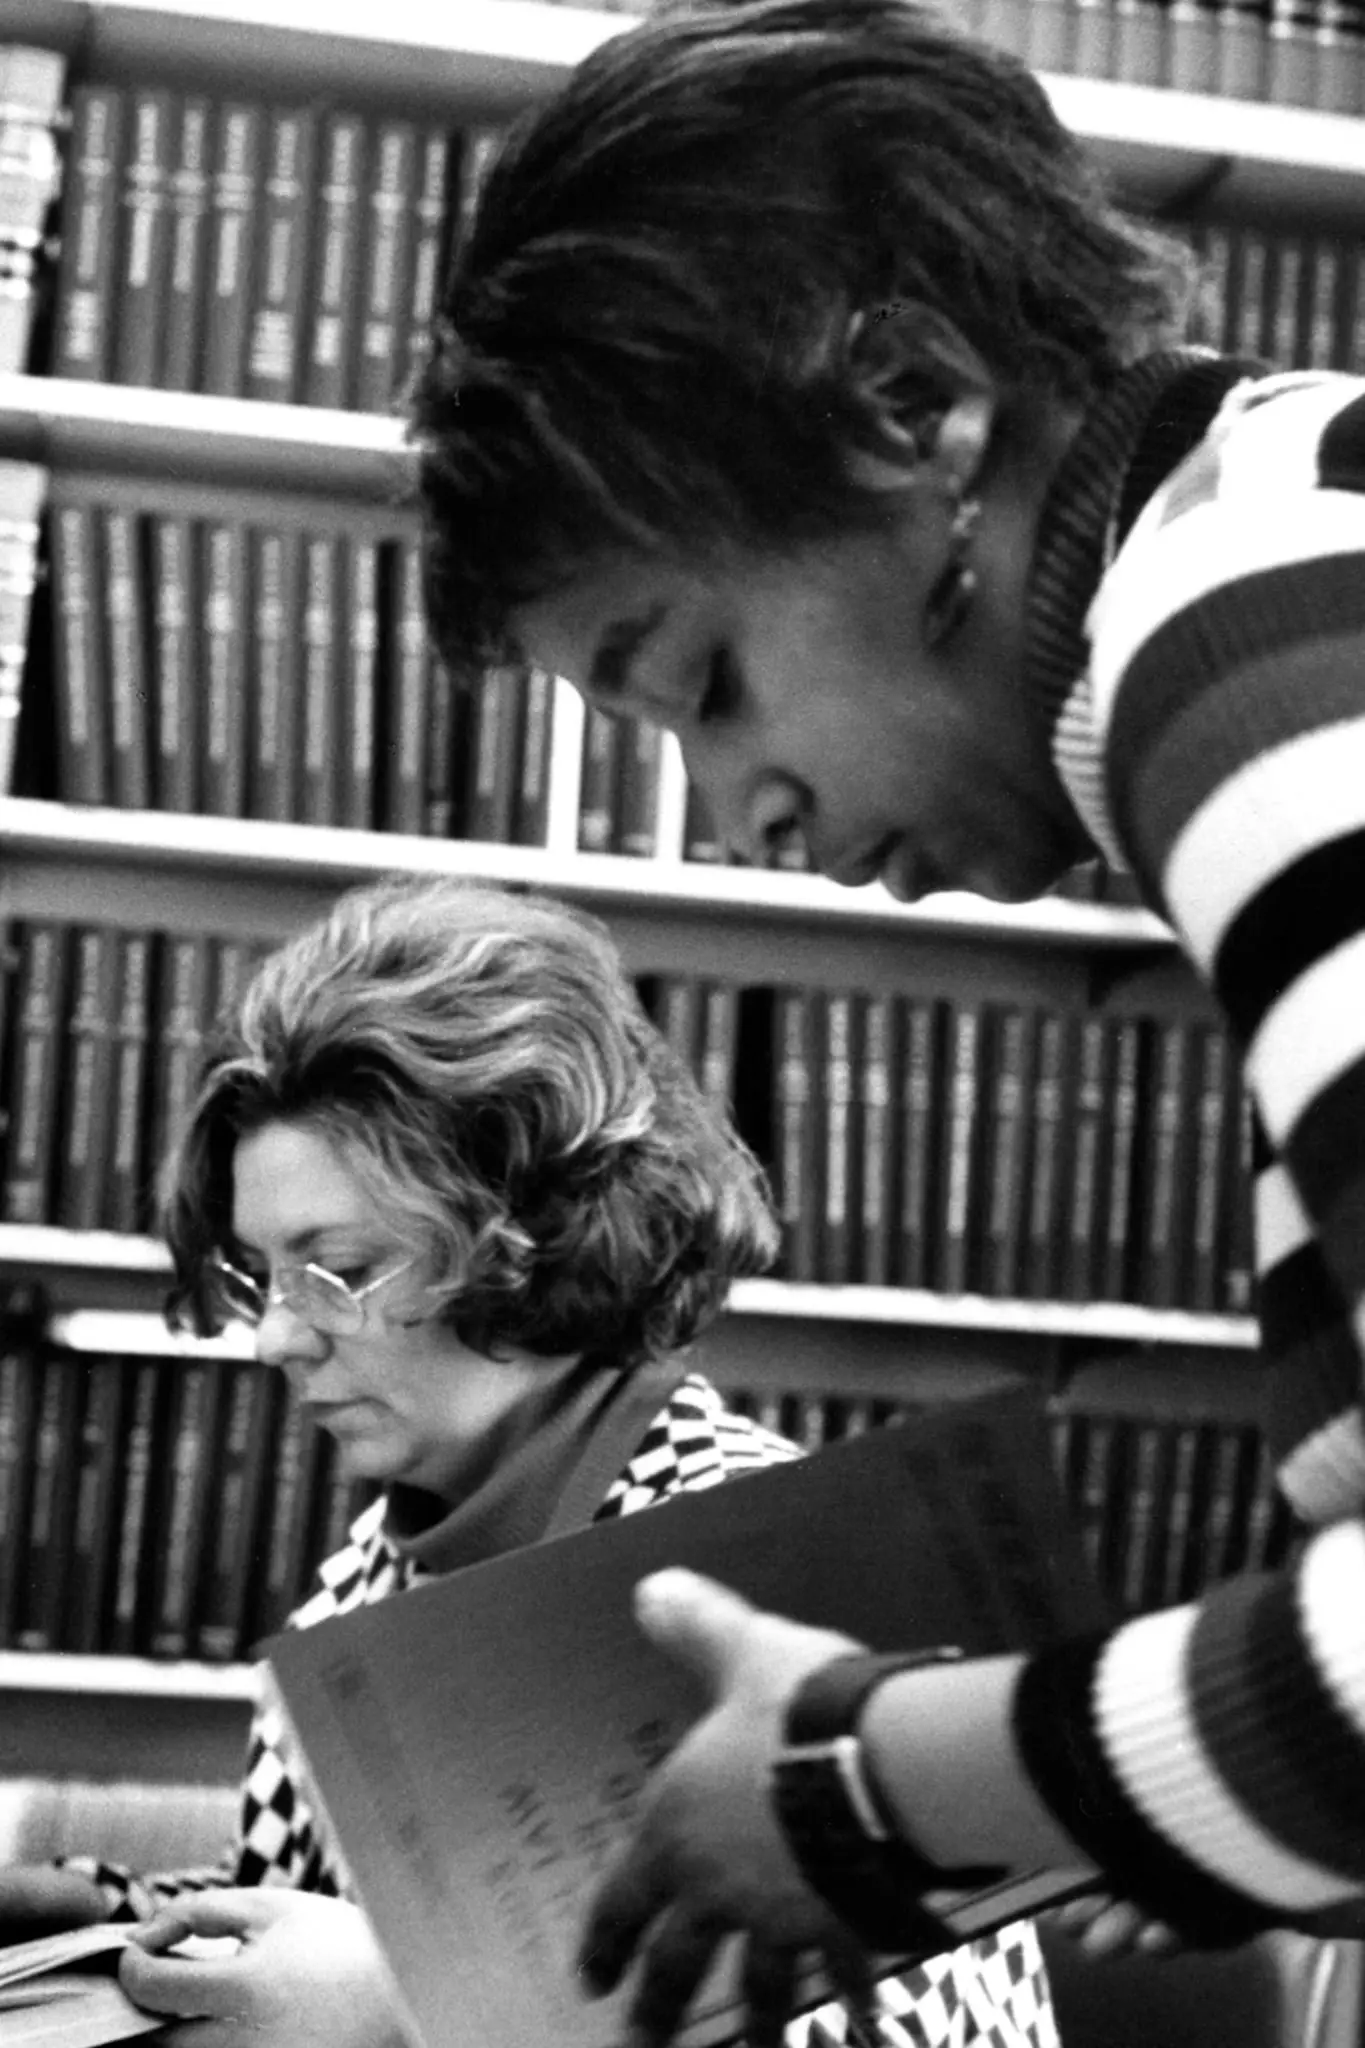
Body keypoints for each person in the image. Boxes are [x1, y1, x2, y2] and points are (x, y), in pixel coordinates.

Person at [406, 0, 1365, 2041]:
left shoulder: (1250, 647)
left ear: (916, 405)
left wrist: (874, 1785)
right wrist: (1148, 1804)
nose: (743, 816)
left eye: (707, 676)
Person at [0, 874, 1058, 2048]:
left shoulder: (773, 1581)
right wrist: (119, 1912)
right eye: (263, 1272)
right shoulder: (368, 1571)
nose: (276, 1335)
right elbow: (346, 1928)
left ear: (536, 1238)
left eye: (337, 1266)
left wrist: (410, 2027)